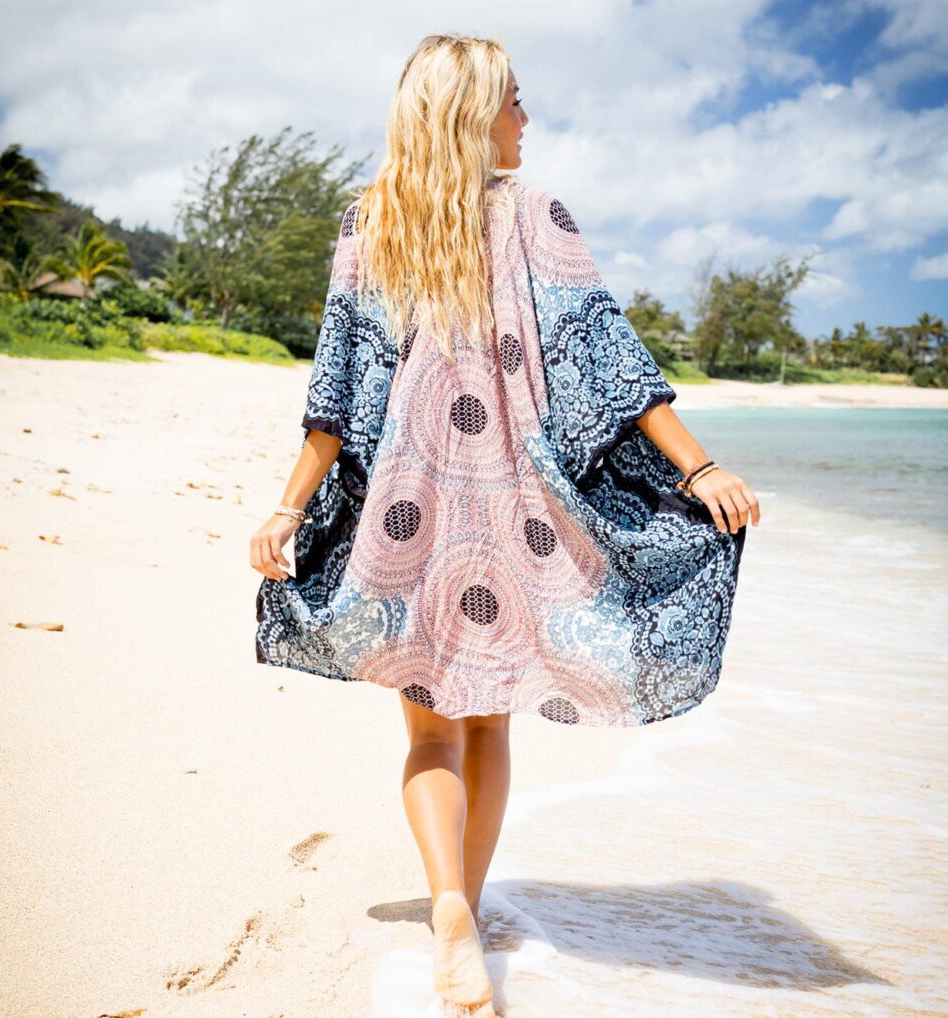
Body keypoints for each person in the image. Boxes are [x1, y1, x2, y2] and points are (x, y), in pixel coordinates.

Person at [250, 33, 759, 1018]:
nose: (527, 118)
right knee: (485, 722)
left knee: (429, 729)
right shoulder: (534, 212)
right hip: (509, 503)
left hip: (406, 507)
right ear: (474, 111)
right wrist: (695, 465)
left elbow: (335, 385)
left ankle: (448, 909)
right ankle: (464, 920)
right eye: (514, 100)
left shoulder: (371, 220)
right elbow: (605, 352)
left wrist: (288, 506)